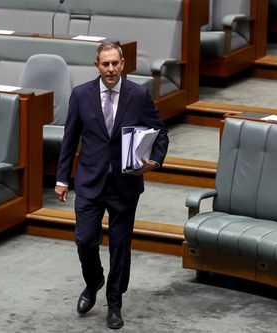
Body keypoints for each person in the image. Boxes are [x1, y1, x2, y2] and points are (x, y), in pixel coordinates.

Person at [55, 41, 169, 329]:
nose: (110, 69)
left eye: (115, 63)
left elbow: (161, 133)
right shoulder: (81, 95)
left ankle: (114, 303)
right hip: (89, 181)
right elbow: (69, 139)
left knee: (120, 247)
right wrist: (61, 178)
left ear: (123, 63)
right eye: (105, 64)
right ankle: (93, 282)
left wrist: (153, 162)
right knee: (84, 240)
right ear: (97, 65)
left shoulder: (138, 94)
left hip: (124, 184)